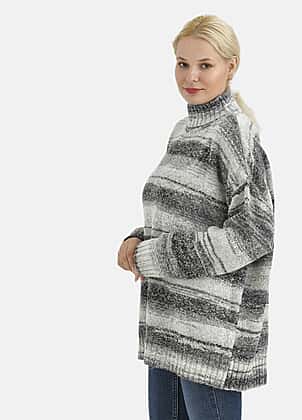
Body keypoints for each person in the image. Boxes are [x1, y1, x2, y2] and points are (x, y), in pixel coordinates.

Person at [117, 14, 275, 420]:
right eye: (182, 63)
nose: (191, 76)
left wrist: (158, 256)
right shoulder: (183, 131)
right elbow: (183, 213)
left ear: (230, 67)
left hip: (210, 335)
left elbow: (254, 233)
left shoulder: (233, 133)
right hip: (168, 322)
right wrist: (138, 238)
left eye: (205, 65)